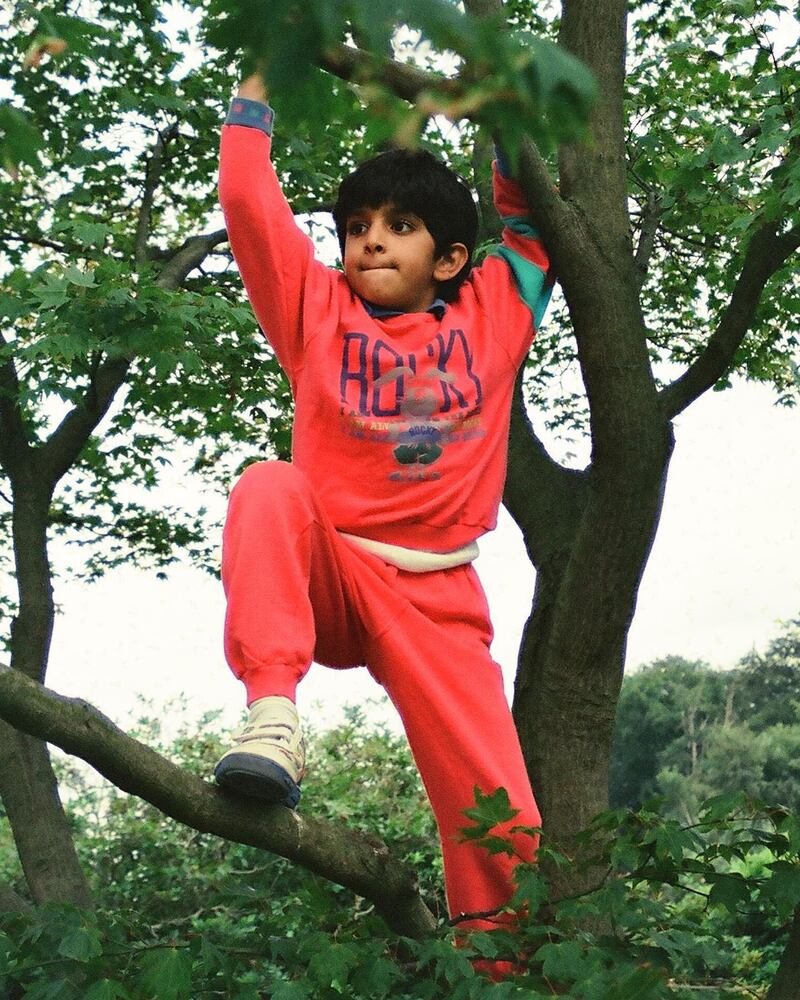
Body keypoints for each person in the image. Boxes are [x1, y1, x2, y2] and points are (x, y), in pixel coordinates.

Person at [215, 67, 553, 956]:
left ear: (448, 259)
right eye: (356, 227)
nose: (369, 242)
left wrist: (503, 104)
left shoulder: (494, 311)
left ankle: (506, 974)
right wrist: (263, 69)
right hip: (334, 569)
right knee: (265, 485)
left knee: (503, 817)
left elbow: (527, 222)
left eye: (399, 227)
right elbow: (250, 201)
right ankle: (274, 717)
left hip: (437, 600)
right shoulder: (314, 306)